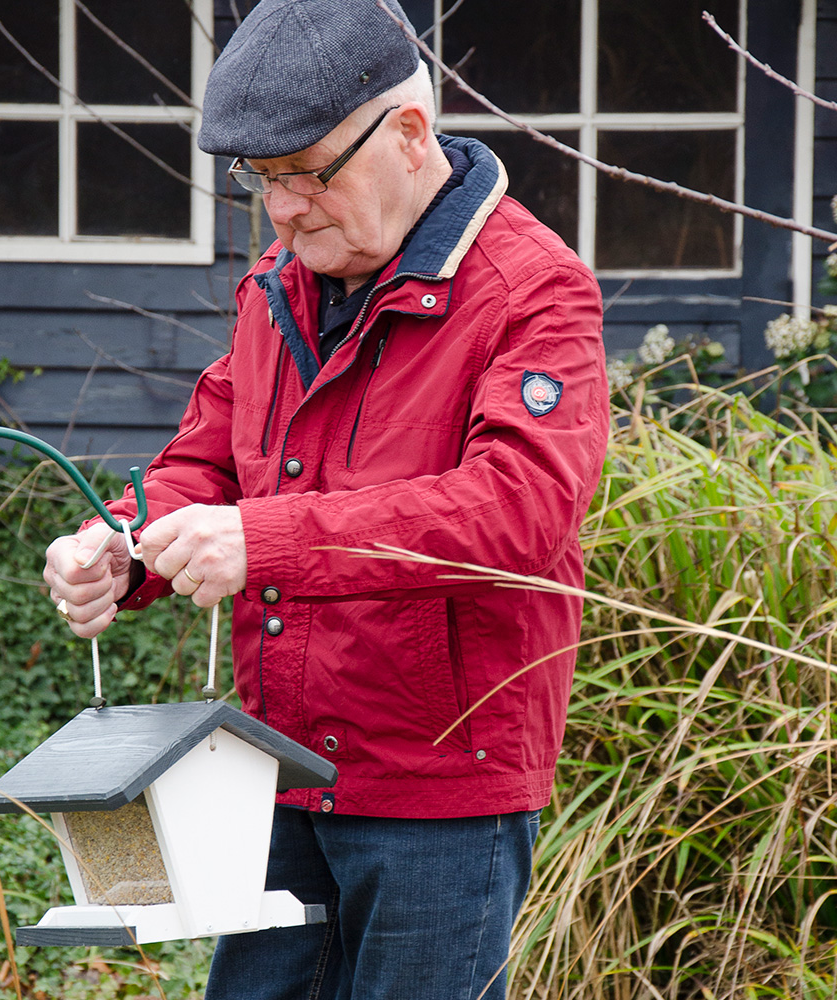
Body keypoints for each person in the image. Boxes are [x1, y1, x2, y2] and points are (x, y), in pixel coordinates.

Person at [43, 0, 609, 996]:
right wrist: (122, 544)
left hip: (442, 797)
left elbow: (517, 512)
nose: (285, 210)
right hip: (281, 772)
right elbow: (207, 464)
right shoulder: (277, 285)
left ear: (408, 134)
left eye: (308, 175)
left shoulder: (536, 292)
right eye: (262, 181)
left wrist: (263, 542)